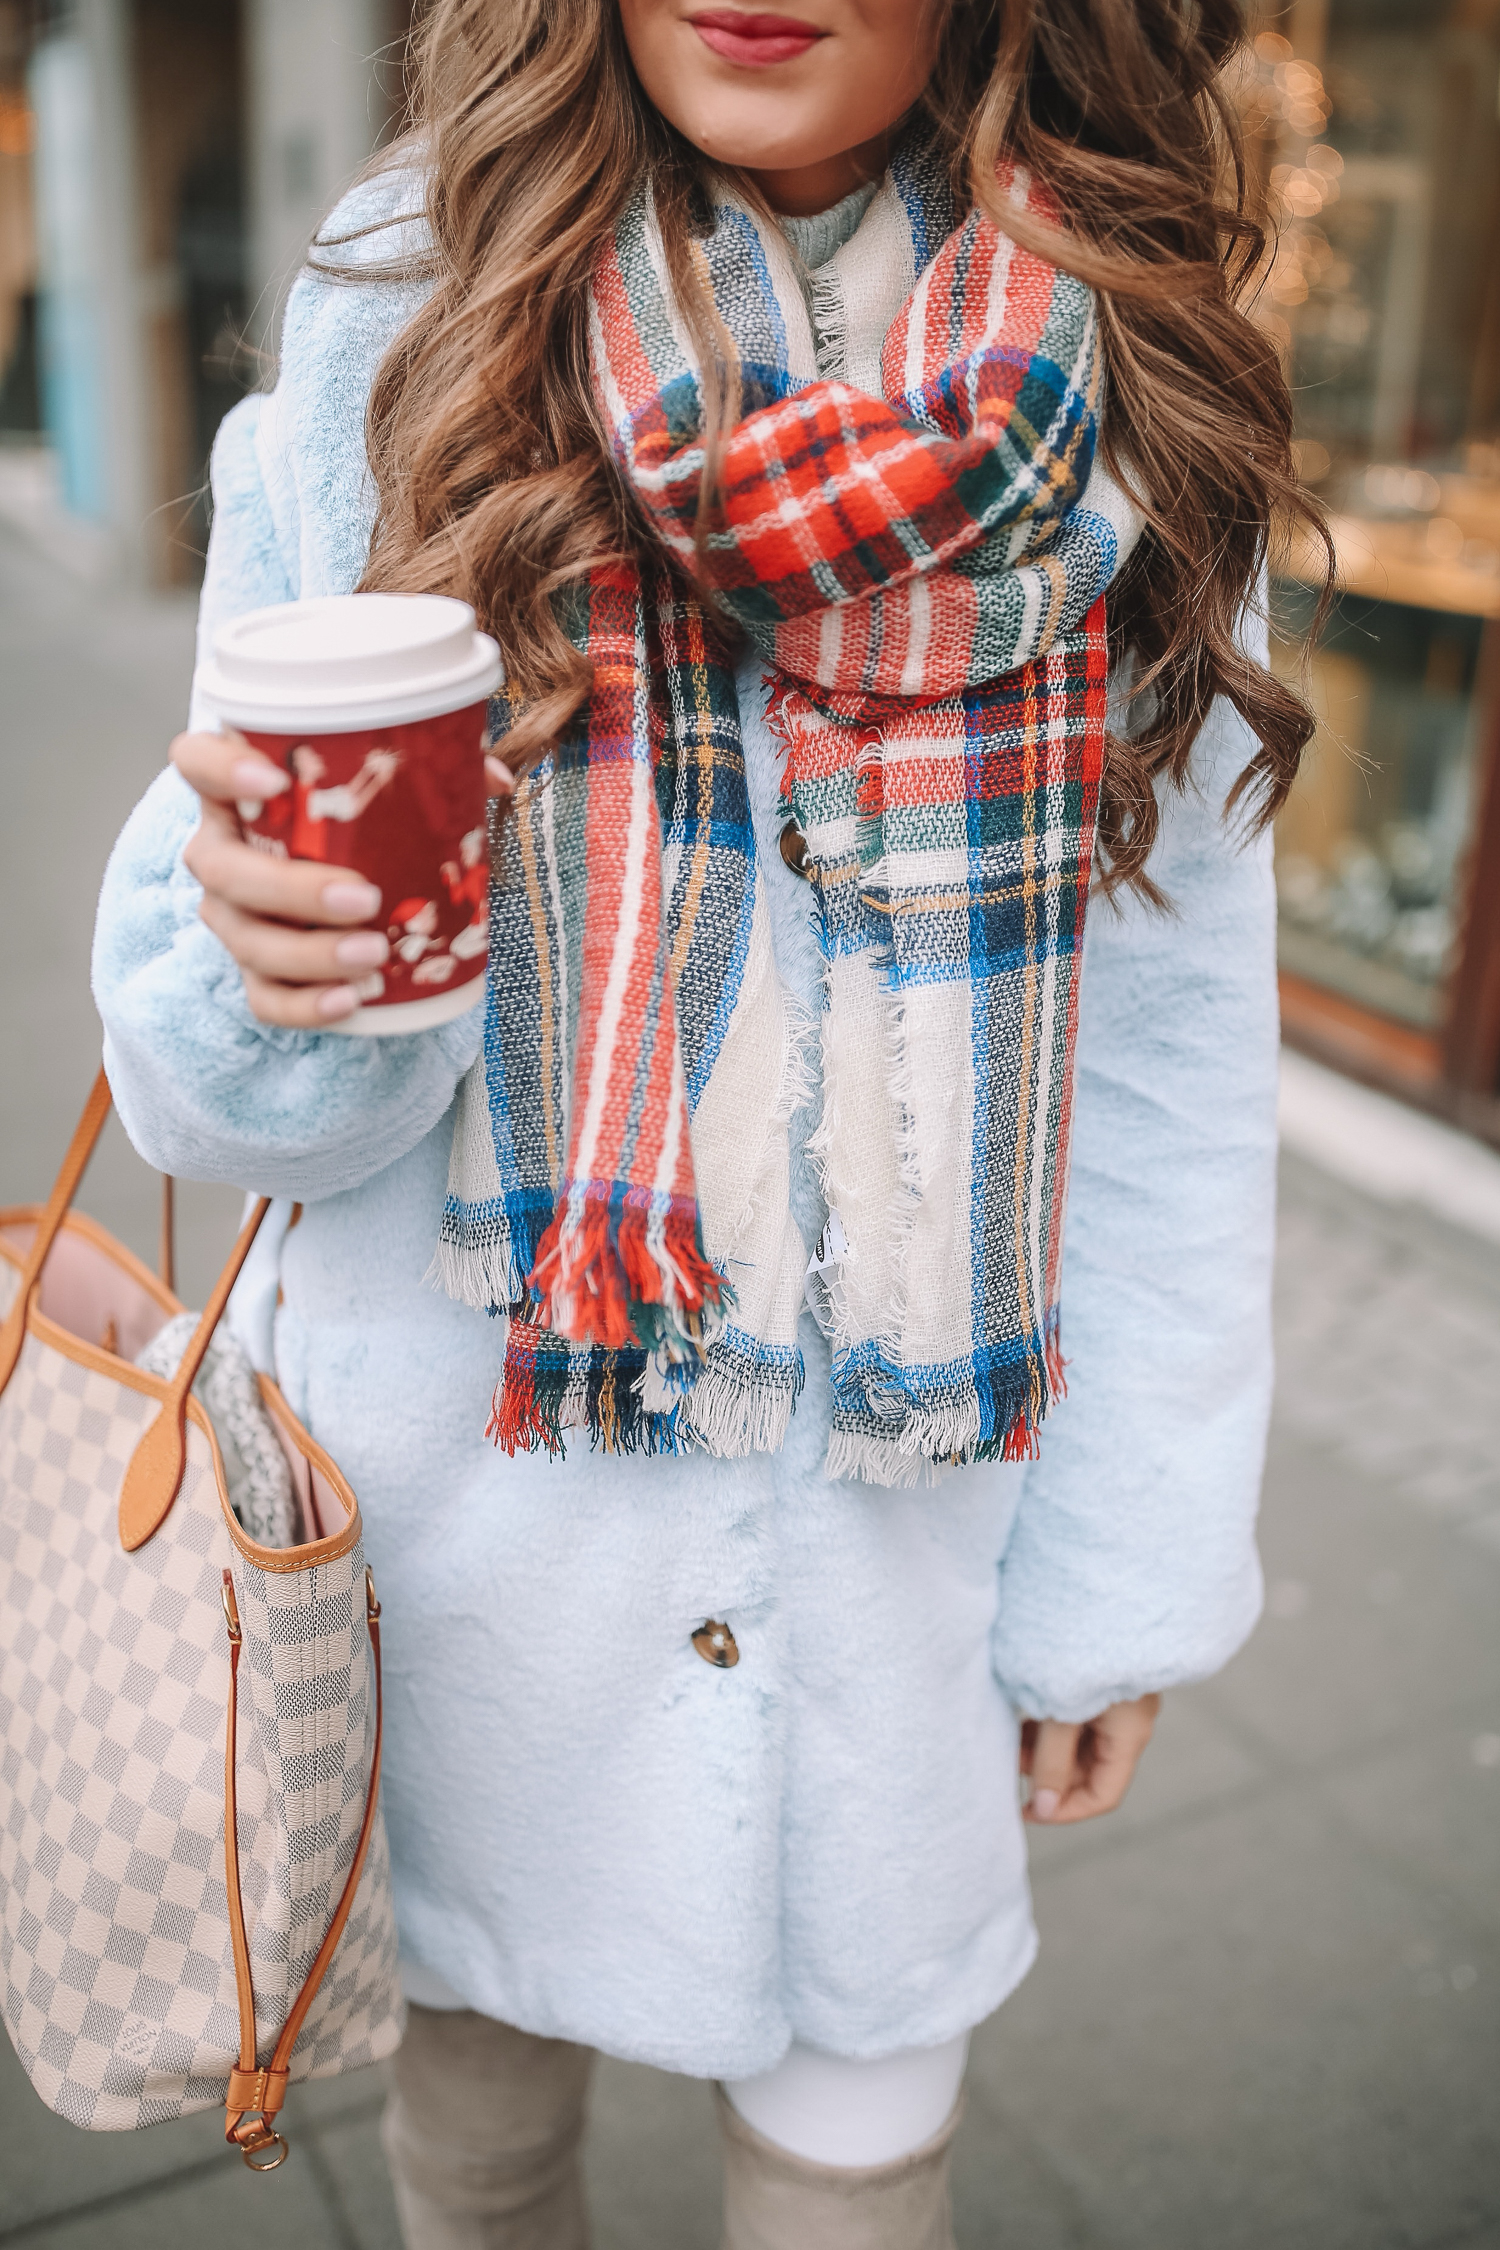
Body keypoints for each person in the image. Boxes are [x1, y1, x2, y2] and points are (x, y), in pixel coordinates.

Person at [92, 0, 1325, 2242]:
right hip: (467, 1521)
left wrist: (1125, 1581)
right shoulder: (414, 318)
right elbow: (217, 1104)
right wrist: (271, 979)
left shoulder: (1123, 382)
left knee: (863, 2154)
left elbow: (1163, 1055)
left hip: (898, 1540)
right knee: (474, 2130)